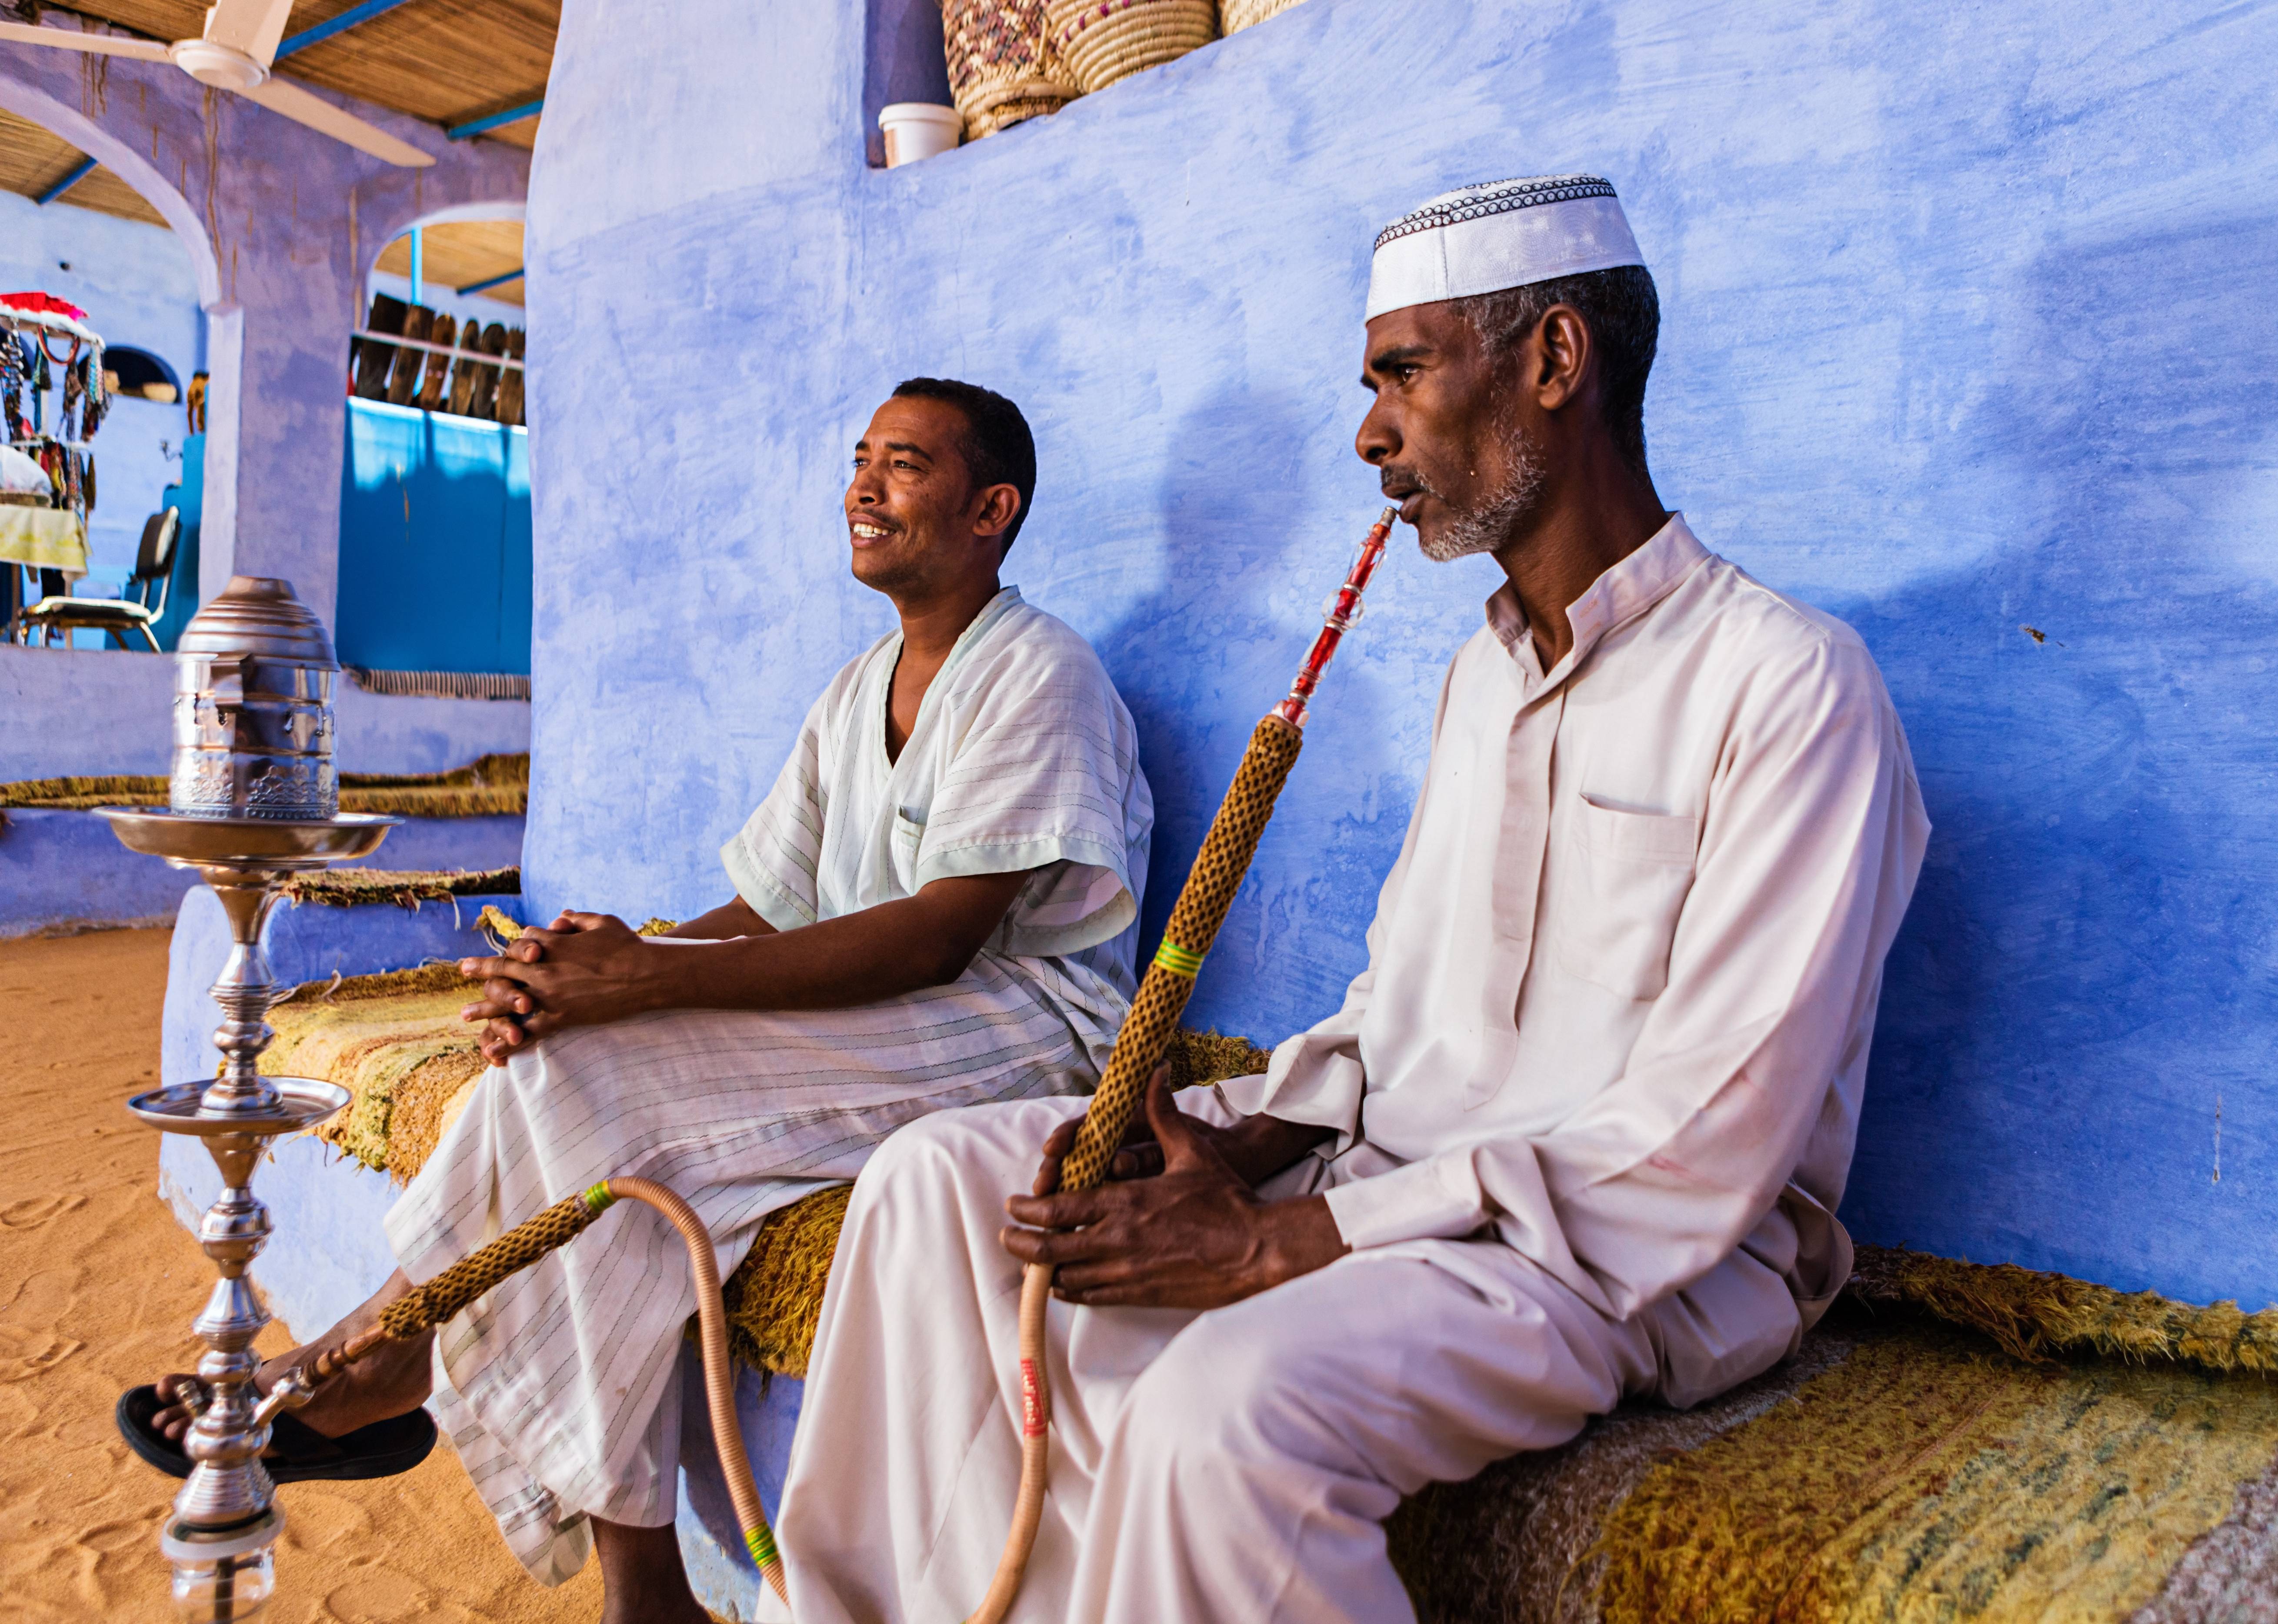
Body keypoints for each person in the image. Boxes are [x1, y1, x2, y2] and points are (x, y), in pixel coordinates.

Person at [764, 176, 1931, 1624]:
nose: (1370, 431)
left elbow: (1705, 1141)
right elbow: (1401, 1004)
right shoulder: (1481, 678)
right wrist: (1239, 1144)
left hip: (1607, 1251)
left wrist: (1282, 1245)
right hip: (1392, 1182)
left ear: (1554, 364)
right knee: (943, 1180)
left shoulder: (1792, 685)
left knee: (1223, 1416)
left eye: (1406, 372)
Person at [132, 378, 1154, 1624]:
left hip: (1018, 1027)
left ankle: (381, 1358)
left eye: (907, 464)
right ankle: (623, 1567)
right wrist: (607, 962)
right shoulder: (858, 688)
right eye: (860, 458)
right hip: (900, 1011)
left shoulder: (1041, 675)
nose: (864, 487)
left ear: (992, 509)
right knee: (562, 1079)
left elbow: (942, 939)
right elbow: (776, 905)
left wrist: (646, 981)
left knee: (605, 1087)